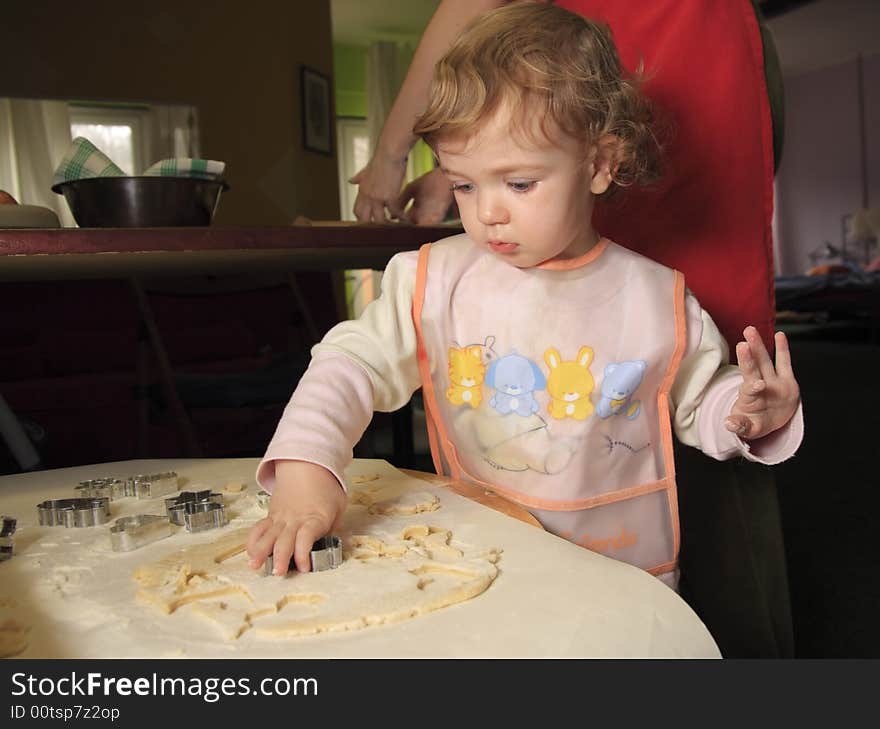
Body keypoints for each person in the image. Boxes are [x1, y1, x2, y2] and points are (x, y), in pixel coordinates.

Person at [246, 3, 802, 596]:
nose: (487, 212)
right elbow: (348, 363)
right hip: (487, 569)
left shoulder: (655, 296)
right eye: (464, 183)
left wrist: (745, 415)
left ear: (598, 165)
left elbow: (699, 402)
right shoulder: (433, 279)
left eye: (518, 183)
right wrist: (308, 468)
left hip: (622, 583)